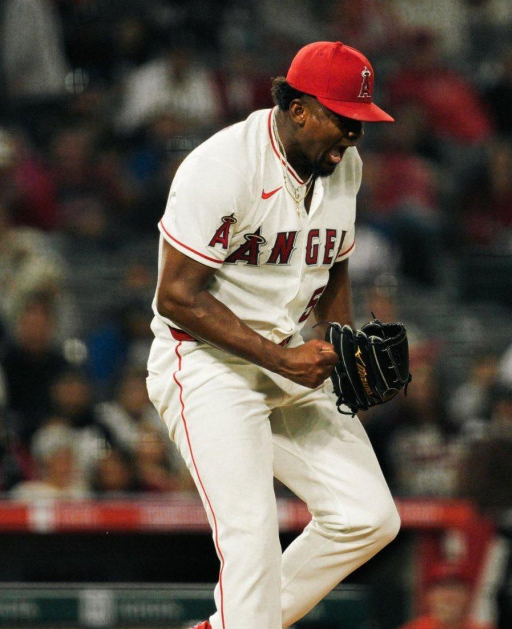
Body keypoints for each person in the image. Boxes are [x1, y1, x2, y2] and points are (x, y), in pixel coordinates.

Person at [145, 41, 401, 629]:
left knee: (368, 516)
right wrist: (281, 361)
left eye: (362, 122)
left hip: (285, 356)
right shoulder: (224, 168)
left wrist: (342, 345)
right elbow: (177, 297)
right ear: (299, 108)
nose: (354, 136)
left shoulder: (343, 166)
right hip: (208, 364)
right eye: (344, 118)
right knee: (251, 541)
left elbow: (333, 261)